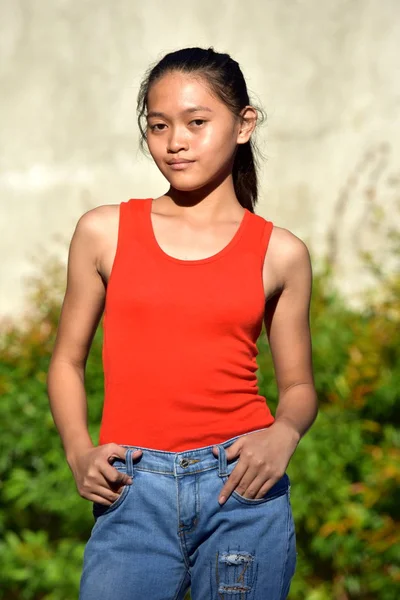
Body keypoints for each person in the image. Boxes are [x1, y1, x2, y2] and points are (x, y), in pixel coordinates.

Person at [47, 46, 318, 600]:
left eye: (197, 123)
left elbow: (298, 387)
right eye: (158, 125)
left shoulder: (280, 253)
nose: (175, 141)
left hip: (241, 492)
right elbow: (66, 362)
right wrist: (79, 454)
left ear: (244, 124)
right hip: (131, 491)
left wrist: (284, 434)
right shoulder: (105, 232)